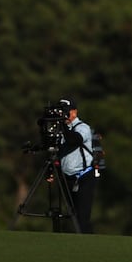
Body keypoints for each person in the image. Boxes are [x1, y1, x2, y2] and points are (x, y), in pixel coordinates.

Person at [55, 98, 98, 234]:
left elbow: (74, 140)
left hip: (84, 177)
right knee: (71, 216)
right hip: (67, 179)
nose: (64, 115)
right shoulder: (63, 130)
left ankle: (88, 245)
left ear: (74, 112)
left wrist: (62, 125)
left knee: (82, 217)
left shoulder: (83, 128)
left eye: (66, 112)